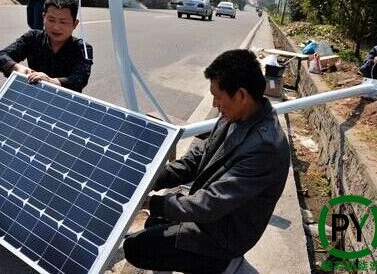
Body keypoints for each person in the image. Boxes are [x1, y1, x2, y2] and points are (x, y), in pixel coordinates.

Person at [123, 49, 290, 273]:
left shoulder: (265, 147)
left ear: (241, 95)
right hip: (212, 219)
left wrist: (150, 203)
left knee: (136, 248)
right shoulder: (233, 117)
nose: (214, 104)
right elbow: (196, 158)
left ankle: (222, 264)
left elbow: (209, 203)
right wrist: (150, 179)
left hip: (223, 236)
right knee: (155, 223)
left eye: (218, 97)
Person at [0, 0, 93, 93]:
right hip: (34, 94)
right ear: (43, 18)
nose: (56, 27)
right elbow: (0, 56)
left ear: (74, 24)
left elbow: (79, 79)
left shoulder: (82, 48)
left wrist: (50, 81)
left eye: (63, 22)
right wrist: (18, 68)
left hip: (65, 101)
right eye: (51, 20)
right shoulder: (33, 38)